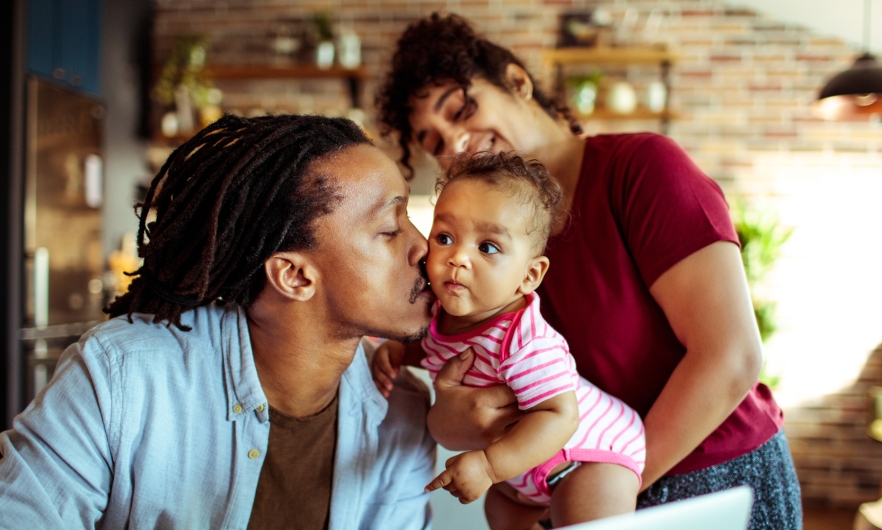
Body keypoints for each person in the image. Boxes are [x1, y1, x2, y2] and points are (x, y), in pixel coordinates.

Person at [375, 13, 802, 530]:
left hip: (710, 477)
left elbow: (731, 357)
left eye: (462, 109)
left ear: (516, 80)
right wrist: (456, 420)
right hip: (573, 488)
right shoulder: (473, 253)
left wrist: (601, 490)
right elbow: (474, 388)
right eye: (435, 141)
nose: (457, 142)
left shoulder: (641, 170)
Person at [0, 114, 436, 529]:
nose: (426, 248)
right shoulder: (118, 378)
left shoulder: (405, 409)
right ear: (295, 275)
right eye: (390, 229)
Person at [371, 152, 645, 529]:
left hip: (588, 455)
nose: (457, 258)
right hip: (518, 471)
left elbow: (560, 414)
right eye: (445, 237)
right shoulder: (437, 313)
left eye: (487, 247)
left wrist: (488, 465)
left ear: (530, 275)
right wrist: (400, 350)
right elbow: (435, 348)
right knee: (501, 515)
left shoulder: (524, 340)